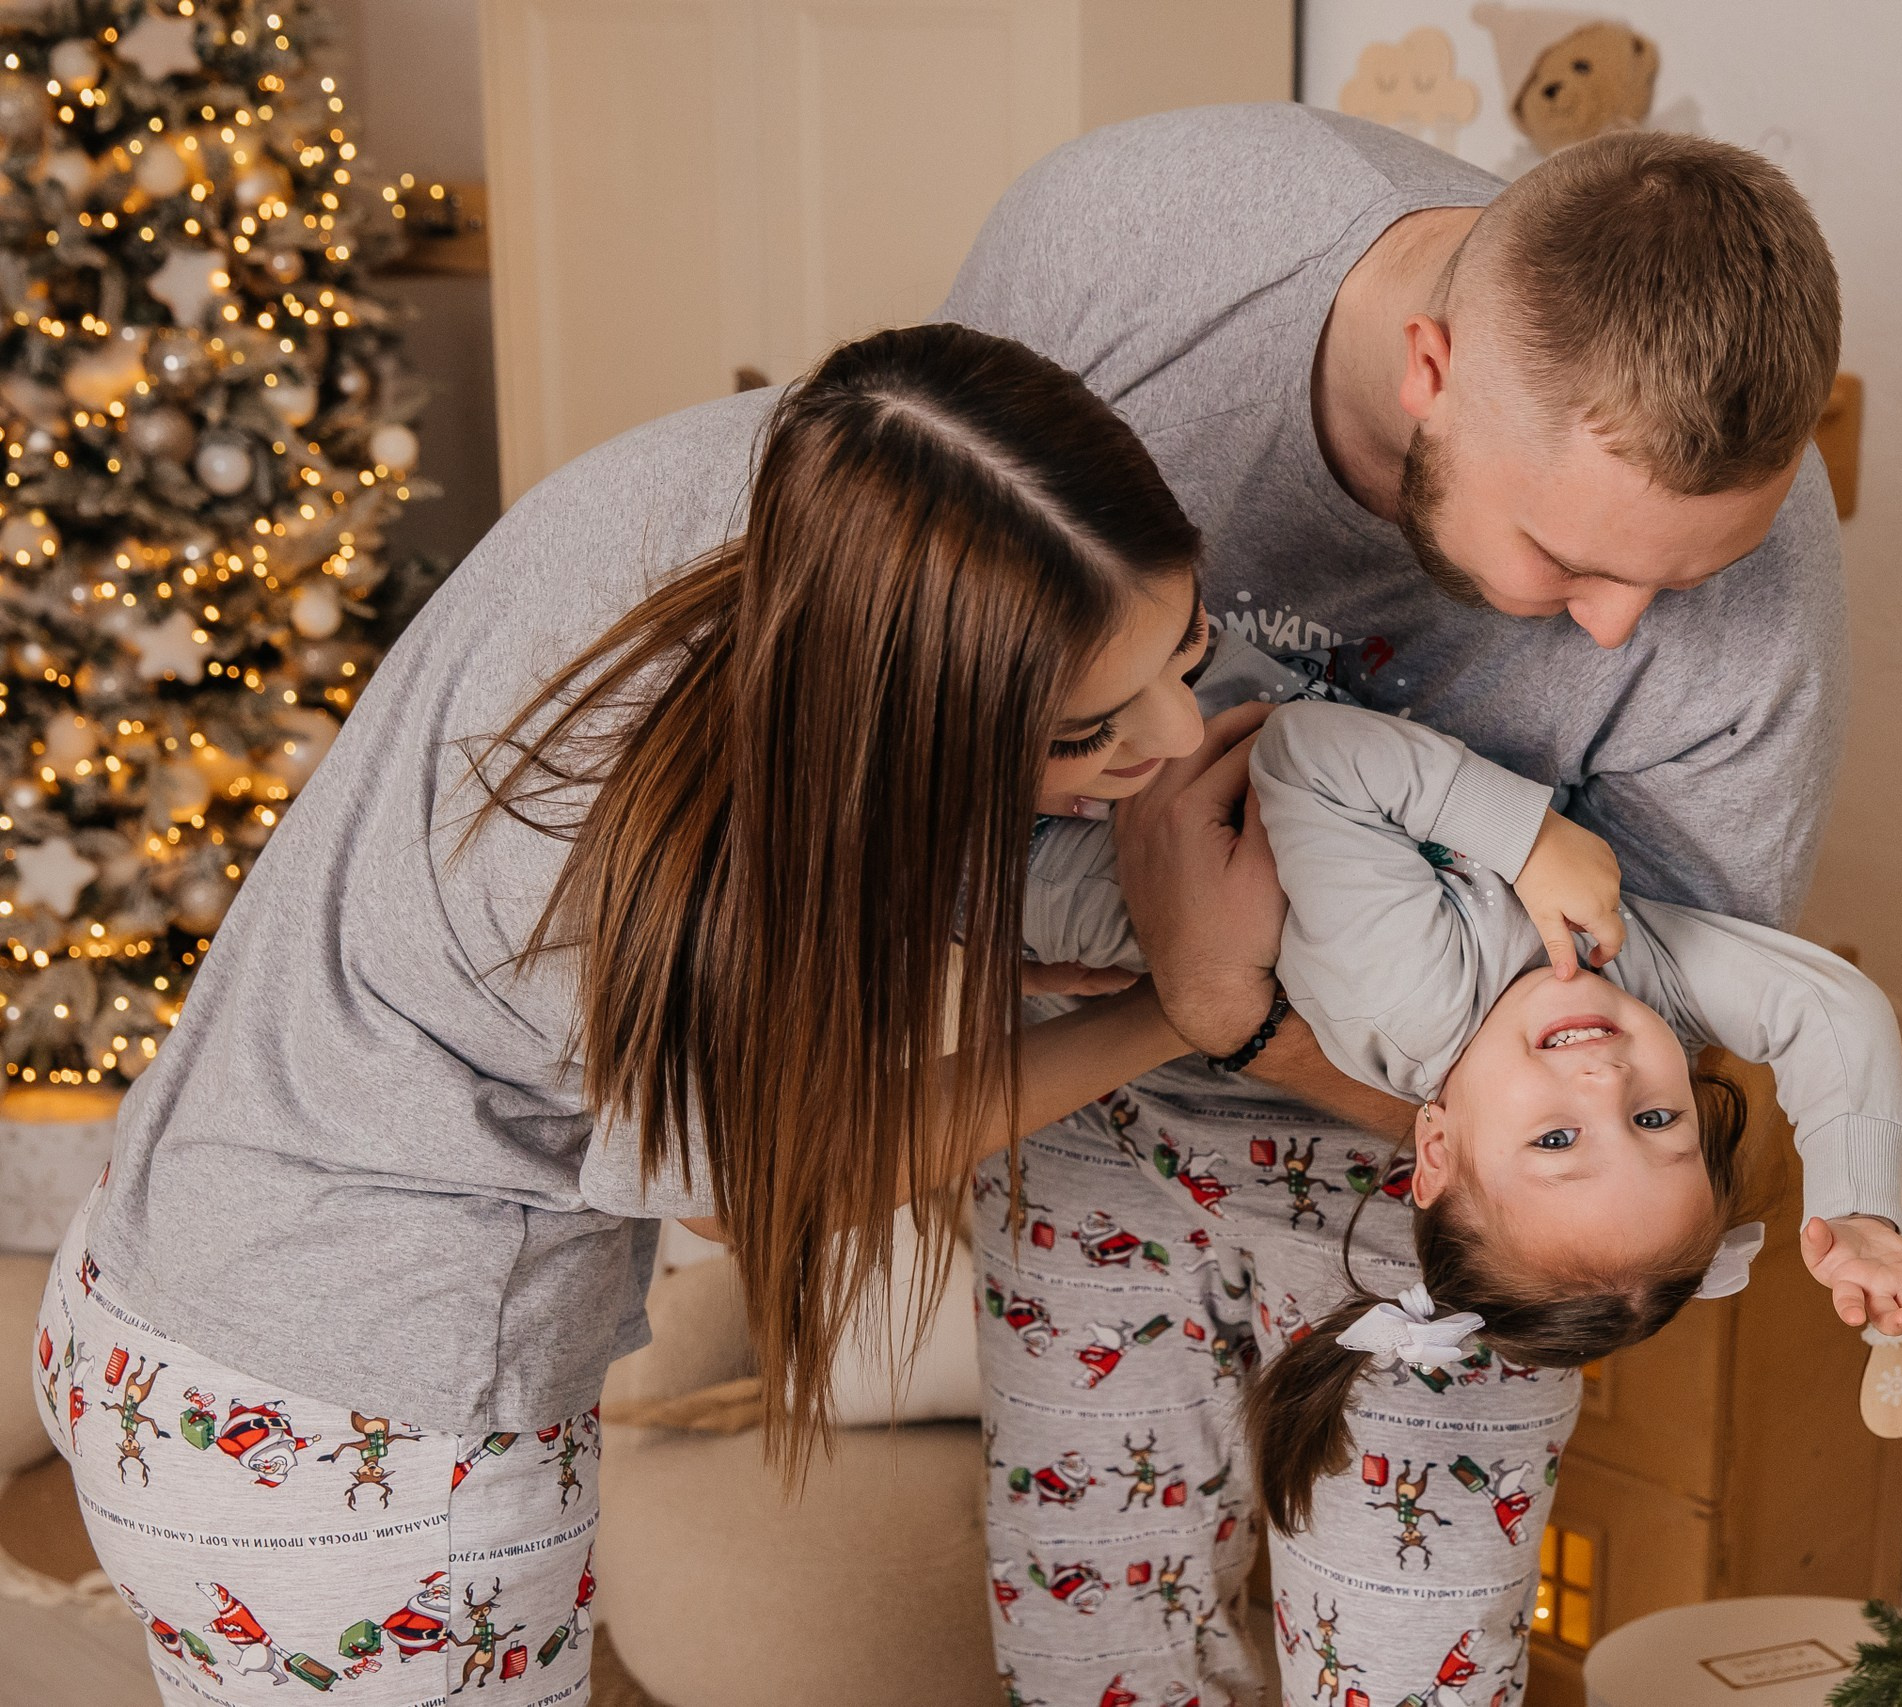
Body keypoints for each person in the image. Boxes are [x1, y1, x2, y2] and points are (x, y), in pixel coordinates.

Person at [30, 325, 1265, 1706]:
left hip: (160, 1291)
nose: (1171, 733)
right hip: (351, 1440)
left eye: (1189, 640)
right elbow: (770, 1180)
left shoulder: (821, 466)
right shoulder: (655, 854)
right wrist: (1182, 1009)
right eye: (1082, 732)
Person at [941, 107, 1902, 1703]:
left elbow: (1713, 1039)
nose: (1618, 632)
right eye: (1568, 557)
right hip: (1084, 1110)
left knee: (1420, 1661)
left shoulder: (1758, 605)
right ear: (1428, 368)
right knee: (1099, 1645)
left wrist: (1246, 1018)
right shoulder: (1130, 245)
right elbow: (910, 653)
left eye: (1676, 582)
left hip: (1442, 1234)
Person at [1021, 693, 1902, 1531]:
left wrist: (1528, 840)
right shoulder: (1630, 992)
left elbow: (1305, 747)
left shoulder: (1415, 994)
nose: (1606, 1084)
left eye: (1558, 1141)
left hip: (1025, 802)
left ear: (1434, 1145)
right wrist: (1861, 1205)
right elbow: (1828, 1009)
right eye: (1658, 1124)